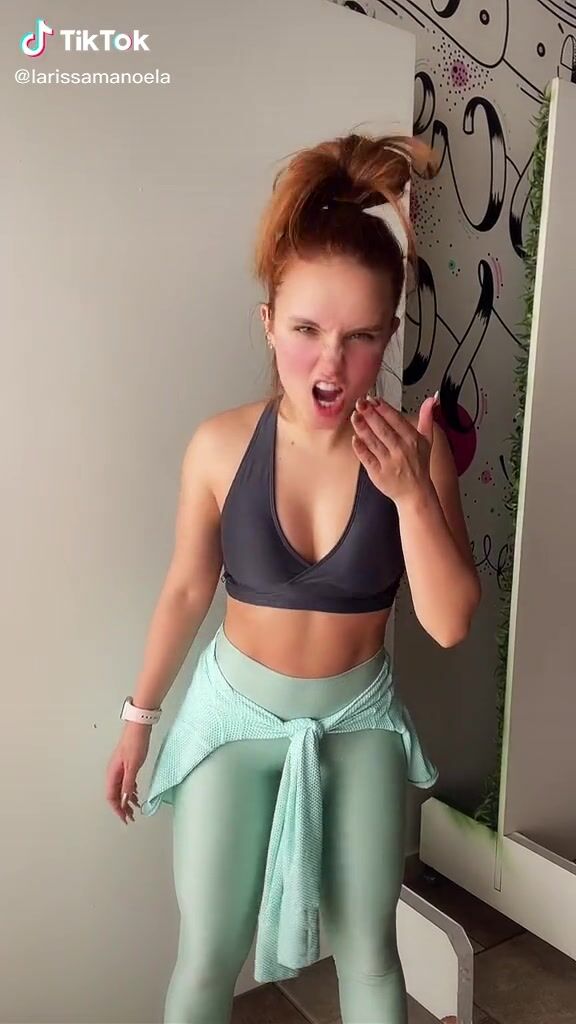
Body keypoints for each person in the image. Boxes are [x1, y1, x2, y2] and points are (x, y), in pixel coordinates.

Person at [106, 132, 481, 1024]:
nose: (329, 365)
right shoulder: (219, 445)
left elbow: (449, 622)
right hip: (231, 719)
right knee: (207, 957)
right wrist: (137, 721)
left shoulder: (416, 455)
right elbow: (187, 590)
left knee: (372, 957)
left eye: (359, 338)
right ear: (269, 321)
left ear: (388, 337)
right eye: (307, 330)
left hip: (358, 723)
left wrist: (412, 496)